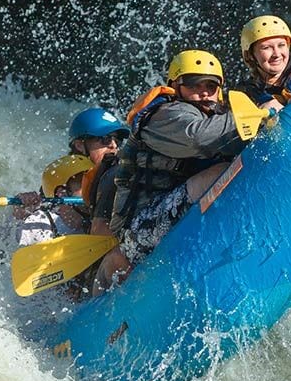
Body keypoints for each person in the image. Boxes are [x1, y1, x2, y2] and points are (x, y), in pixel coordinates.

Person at [94, 49, 248, 291]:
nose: (204, 92)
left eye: (211, 85)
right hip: (139, 229)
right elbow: (197, 138)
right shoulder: (163, 115)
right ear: (176, 86)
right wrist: (251, 116)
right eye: (194, 85)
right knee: (219, 171)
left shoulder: (217, 116)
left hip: (183, 216)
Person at [233, 15, 291, 107]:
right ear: (250, 55)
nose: (276, 54)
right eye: (266, 48)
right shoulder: (246, 95)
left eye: (281, 45)